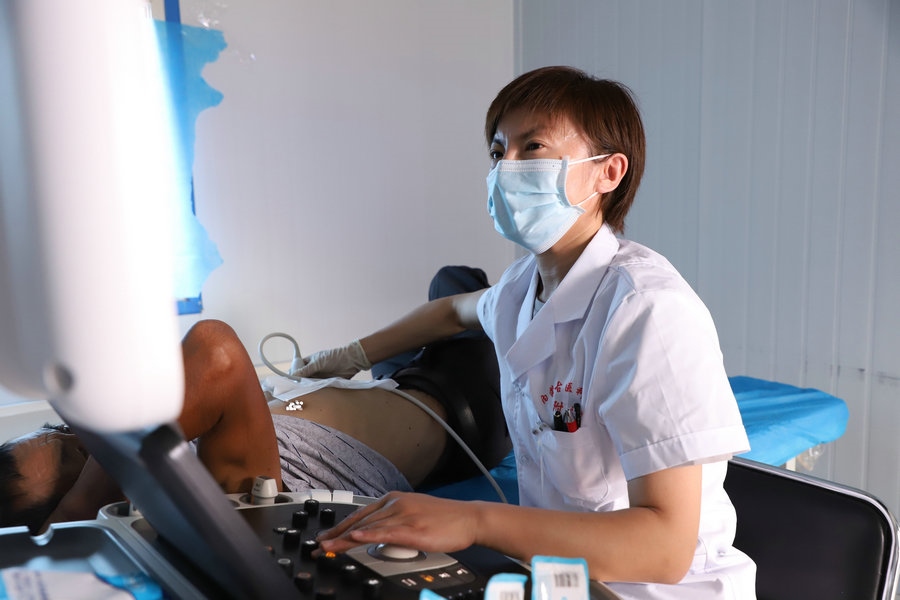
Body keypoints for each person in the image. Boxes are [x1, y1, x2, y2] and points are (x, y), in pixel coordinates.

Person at [300, 66, 757, 599]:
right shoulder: (522, 287)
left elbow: (665, 550)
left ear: (608, 172)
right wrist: (352, 353)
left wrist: (474, 521)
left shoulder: (648, 310)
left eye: (533, 147)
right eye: (498, 152)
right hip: (562, 578)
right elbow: (451, 312)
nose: (506, 169)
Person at [0, 266, 510, 534]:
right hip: (457, 407)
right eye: (75, 455)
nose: (86, 436)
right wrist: (75, 514)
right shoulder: (223, 493)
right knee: (473, 293)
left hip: (390, 382)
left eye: (58, 430)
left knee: (449, 280)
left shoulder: (180, 438)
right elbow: (215, 349)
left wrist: (349, 356)